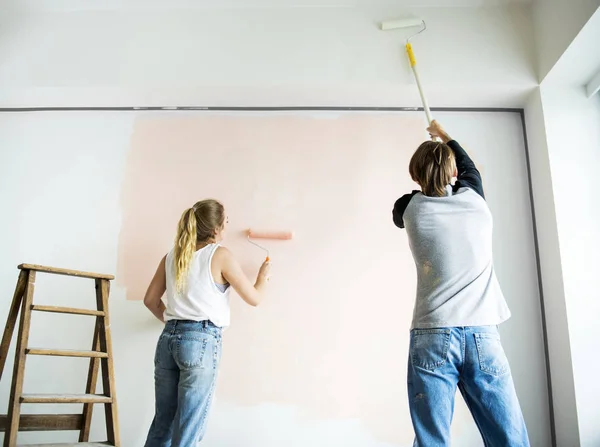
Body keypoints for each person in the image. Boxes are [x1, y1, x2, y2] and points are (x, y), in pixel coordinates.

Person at [392, 121, 529, 446]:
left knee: (432, 439)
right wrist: (444, 135)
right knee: (508, 437)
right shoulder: (475, 201)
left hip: (432, 334)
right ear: (455, 172)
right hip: (482, 333)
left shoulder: (409, 208)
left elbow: (399, 213)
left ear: (415, 176)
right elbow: (469, 167)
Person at [142, 199, 271, 446]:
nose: (227, 226)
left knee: (163, 423)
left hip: (168, 340)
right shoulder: (219, 255)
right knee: (188, 428)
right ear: (215, 230)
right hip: (200, 342)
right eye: (225, 223)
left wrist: (175, 324)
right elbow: (254, 298)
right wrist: (263, 277)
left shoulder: (171, 256)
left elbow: (150, 300)